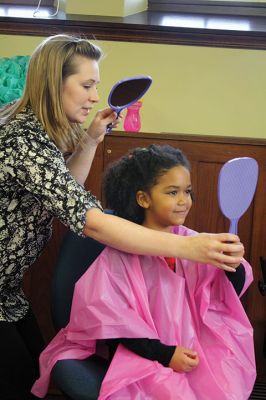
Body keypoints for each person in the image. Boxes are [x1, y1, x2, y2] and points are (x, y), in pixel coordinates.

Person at [0, 34, 244, 400]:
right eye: (86, 85)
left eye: (96, 85)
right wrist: (189, 246)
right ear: (54, 83)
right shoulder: (23, 140)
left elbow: (61, 189)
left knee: (33, 366)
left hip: (7, 290)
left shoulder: (36, 128)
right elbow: (91, 221)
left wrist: (92, 137)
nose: (95, 96)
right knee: (15, 380)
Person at [32, 144, 256, 399]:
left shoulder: (197, 244)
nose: (184, 201)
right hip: (143, 356)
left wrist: (232, 265)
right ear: (144, 199)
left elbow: (223, 297)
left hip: (193, 350)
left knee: (224, 382)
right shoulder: (119, 257)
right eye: (173, 192)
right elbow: (115, 325)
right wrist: (166, 354)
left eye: (188, 192)